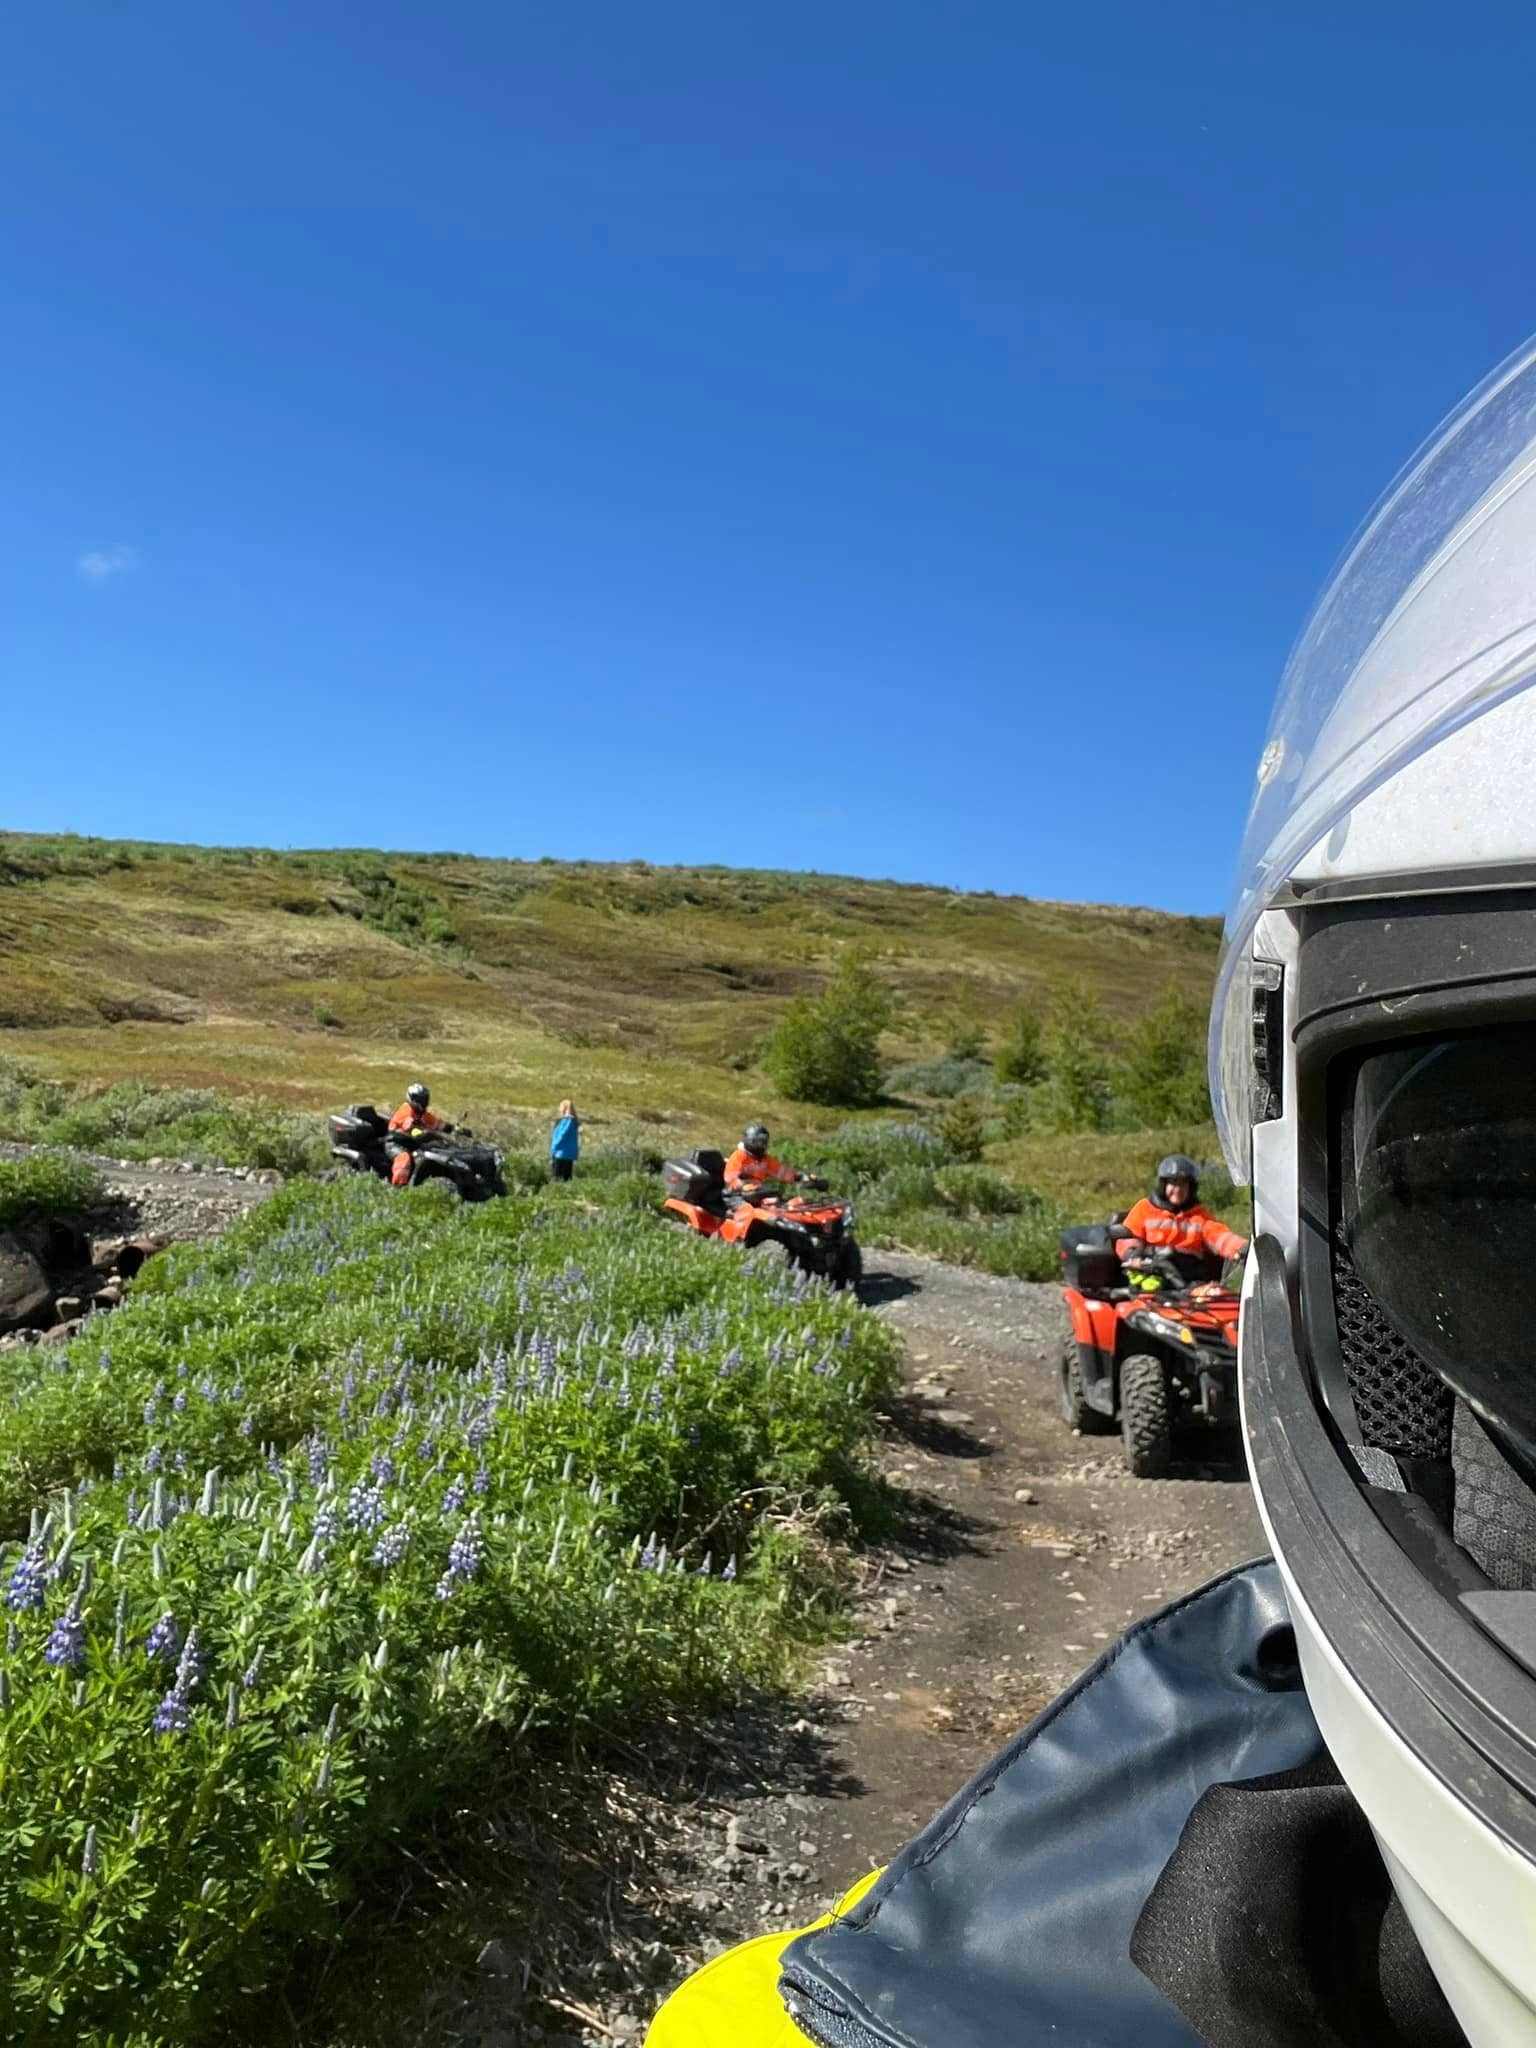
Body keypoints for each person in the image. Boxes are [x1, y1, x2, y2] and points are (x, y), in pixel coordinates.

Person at [648, 342, 1536, 2045]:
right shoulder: (890, 1988)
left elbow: (1206, 1249)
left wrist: (1185, 1258)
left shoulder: (1203, 1228)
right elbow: (1152, 1253)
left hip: (1197, 1323)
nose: (1183, 1191)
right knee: (1089, 1313)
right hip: (1148, 1343)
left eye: (1193, 1183)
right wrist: (1134, 1278)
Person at [1114, 1152, 1247, 1285]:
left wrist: (1243, 1248)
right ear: (1163, 1185)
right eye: (1173, 1183)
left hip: (1190, 1278)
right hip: (1152, 1276)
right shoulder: (1144, 1208)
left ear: (1191, 1188)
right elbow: (1128, 1237)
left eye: (1183, 1185)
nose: (1178, 1190)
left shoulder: (1199, 1215)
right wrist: (1132, 1255)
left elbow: (1221, 1237)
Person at [723, 1123, 820, 1194]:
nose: (763, 1145)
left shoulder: (765, 1160)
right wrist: (744, 1186)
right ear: (750, 1140)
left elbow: (782, 1172)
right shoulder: (739, 1156)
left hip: (757, 1195)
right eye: (759, 1141)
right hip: (737, 1196)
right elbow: (730, 1178)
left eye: (764, 1142)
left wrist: (802, 1177)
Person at [386, 1082, 445, 1188]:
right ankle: (397, 1188)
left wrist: (455, 1129)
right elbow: (410, 1128)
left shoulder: (422, 1114)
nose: (424, 1102)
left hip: (412, 1143)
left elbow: (437, 1124)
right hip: (395, 1143)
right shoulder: (406, 1111)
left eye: (425, 1099)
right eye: (421, 1099)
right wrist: (424, 1134)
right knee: (404, 1159)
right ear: (413, 1099)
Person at [550, 1099, 580, 1182]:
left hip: (561, 1153)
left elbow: (562, 1135)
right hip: (569, 1154)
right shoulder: (573, 1122)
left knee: (557, 1178)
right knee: (566, 1179)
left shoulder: (567, 1121)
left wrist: (554, 1146)